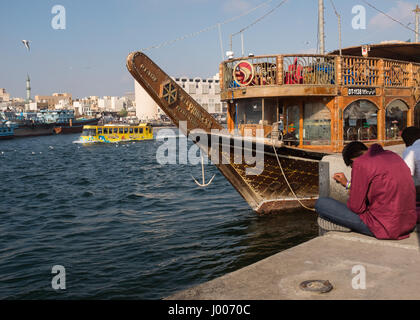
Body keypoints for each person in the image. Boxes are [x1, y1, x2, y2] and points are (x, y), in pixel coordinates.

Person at [315, 141, 417, 240]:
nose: (352, 169)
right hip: (408, 223)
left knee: (322, 203)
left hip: (385, 227)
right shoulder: (393, 156)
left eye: (351, 166)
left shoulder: (360, 163)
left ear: (353, 160)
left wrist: (352, 191)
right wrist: (347, 184)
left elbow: (357, 208)